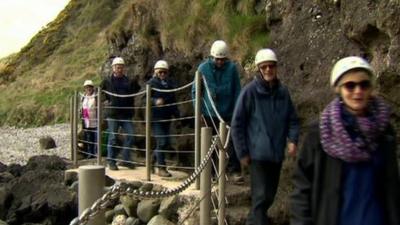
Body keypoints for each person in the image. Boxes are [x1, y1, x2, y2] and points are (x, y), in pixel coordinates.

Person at [290, 56, 400, 225]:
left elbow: (392, 187)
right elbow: (302, 188)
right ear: (338, 90)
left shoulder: (384, 132)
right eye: (350, 86)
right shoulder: (320, 134)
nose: (358, 91)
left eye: (364, 84)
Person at [231, 48, 299, 225]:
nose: (268, 70)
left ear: (276, 68)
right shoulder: (249, 92)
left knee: (269, 197)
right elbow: (237, 124)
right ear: (258, 69)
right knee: (261, 198)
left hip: (276, 154)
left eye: (271, 66)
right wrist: (242, 152)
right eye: (264, 67)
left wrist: (293, 139)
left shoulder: (283, 92)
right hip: (257, 155)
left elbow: (292, 119)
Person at [191, 40, 242, 178]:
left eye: (222, 60)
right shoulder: (202, 69)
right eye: (217, 59)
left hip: (228, 112)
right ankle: (211, 172)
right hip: (209, 112)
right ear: (212, 57)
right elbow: (196, 92)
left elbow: (237, 90)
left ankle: (234, 170)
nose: (220, 62)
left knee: (233, 140)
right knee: (210, 143)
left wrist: (238, 110)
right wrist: (198, 111)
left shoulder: (231, 69)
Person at [101, 57, 140, 170]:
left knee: (131, 135)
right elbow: (100, 92)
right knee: (112, 138)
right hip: (113, 114)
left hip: (126, 114)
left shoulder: (128, 80)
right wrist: (106, 101)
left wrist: (135, 82)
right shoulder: (107, 81)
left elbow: (135, 90)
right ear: (113, 68)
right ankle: (111, 161)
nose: (119, 69)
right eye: (117, 67)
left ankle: (126, 159)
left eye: (121, 67)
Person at [147, 60, 180, 177]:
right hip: (156, 118)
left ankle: (152, 159)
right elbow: (143, 99)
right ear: (156, 72)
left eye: (164, 72)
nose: (162, 74)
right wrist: (155, 101)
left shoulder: (170, 84)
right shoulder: (151, 83)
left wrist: (177, 116)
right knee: (162, 141)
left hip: (167, 117)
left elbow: (173, 101)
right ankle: (161, 168)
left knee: (165, 143)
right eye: (160, 72)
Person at [81, 80, 97, 158]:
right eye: (87, 87)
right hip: (86, 120)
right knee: (88, 137)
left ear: (92, 88)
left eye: (90, 87)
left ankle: (95, 153)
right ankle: (90, 153)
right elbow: (82, 108)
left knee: (96, 137)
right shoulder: (83, 97)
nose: (88, 89)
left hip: (95, 120)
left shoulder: (96, 96)